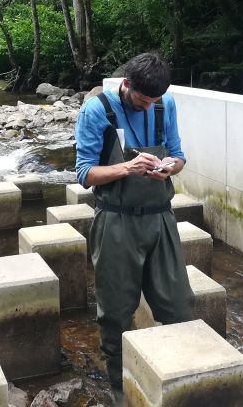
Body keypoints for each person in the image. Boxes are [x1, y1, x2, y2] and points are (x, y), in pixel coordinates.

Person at [74, 52, 194, 390]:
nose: (148, 108)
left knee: (180, 308)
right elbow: (85, 174)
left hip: (161, 220)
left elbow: (179, 155)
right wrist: (128, 167)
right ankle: (120, 389)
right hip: (116, 222)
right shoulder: (96, 110)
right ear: (126, 85)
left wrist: (171, 166)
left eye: (153, 101)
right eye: (142, 102)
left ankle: (174, 383)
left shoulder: (163, 105)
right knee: (115, 314)